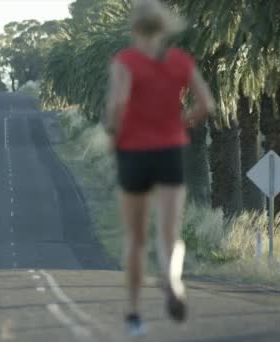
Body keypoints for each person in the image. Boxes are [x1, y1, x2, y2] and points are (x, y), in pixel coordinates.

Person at [104, 0, 215, 337]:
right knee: (169, 233)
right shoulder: (181, 61)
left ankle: (134, 315)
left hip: (134, 153)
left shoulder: (125, 61)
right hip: (169, 151)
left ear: (135, 28)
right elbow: (207, 103)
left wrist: (114, 136)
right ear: (164, 27)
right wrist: (181, 123)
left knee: (136, 239)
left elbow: (119, 103)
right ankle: (171, 280)